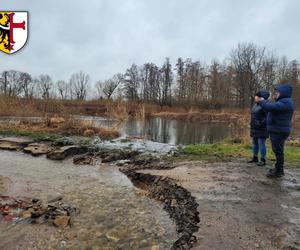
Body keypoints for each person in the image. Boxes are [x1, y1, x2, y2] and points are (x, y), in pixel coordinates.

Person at [258, 83, 295, 178]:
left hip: (279, 131)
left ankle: (279, 171)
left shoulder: (286, 102)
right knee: (278, 150)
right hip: (277, 130)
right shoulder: (283, 101)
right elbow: (272, 109)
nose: (276, 94)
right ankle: (278, 168)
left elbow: (270, 107)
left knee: (278, 151)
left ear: (283, 93)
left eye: (278, 92)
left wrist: (262, 101)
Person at [248, 90, 270, 166]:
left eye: (257, 96)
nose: (255, 97)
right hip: (254, 128)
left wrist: (260, 124)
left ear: (261, 98)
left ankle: (263, 160)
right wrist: (251, 124)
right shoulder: (255, 105)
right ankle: (255, 158)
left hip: (262, 128)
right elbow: (253, 116)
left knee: (261, 144)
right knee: (254, 143)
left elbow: (268, 117)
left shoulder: (266, 105)